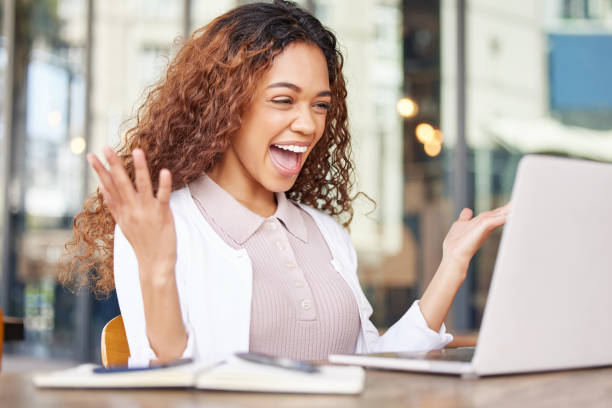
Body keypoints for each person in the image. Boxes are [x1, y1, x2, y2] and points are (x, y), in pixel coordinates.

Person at [62, 0, 508, 367]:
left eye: (319, 105)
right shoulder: (162, 224)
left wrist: (452, 264)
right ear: (227, 106)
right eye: (284, 100)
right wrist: (158, 268)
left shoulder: (327, 235)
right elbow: (168, 378)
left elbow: (370, 365)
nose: (308, 124)